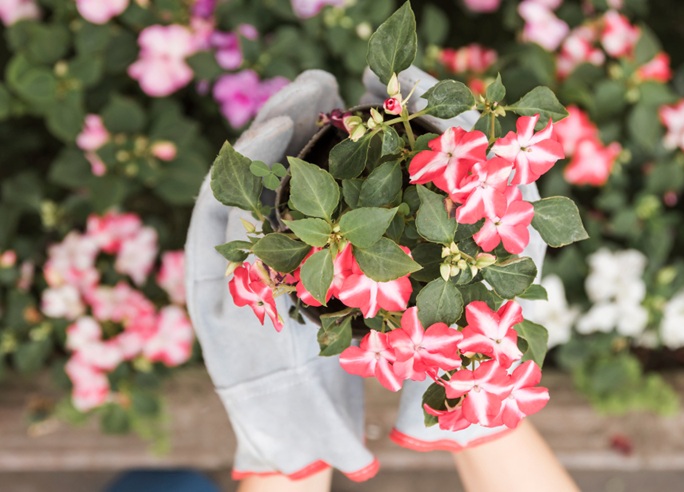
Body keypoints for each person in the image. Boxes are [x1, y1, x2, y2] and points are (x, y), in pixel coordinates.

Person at [185, 68, 579, 492]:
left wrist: (280, 406)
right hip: (425, 238)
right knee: (482, 401)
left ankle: (298, 432)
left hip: (383, 258)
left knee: (297, 427)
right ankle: (474, 415)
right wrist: (472, 357)